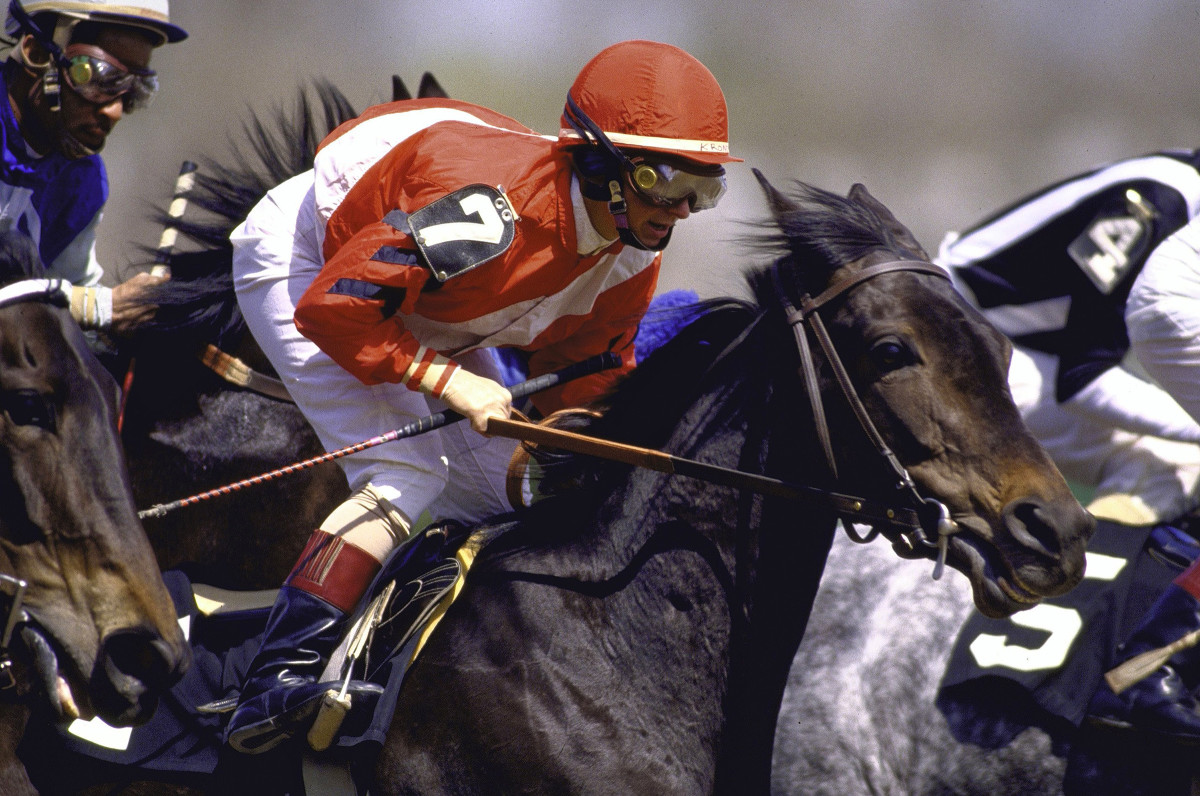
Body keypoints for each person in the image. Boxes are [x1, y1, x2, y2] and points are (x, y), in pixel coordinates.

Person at [225, 39, 739, 754]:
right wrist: (449, 380)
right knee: (406, 472)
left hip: (423, 309)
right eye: (664, 181)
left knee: (515, 492)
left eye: (703, 190)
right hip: (306, 265)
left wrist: (597, 445)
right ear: (600, 164)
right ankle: (272, 681)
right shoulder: (488, 213)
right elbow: (336, 307)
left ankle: (395, 673)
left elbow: (587, 374)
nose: (680, 210)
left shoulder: (631, 256)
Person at [935, 150, 1200, 740]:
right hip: (967, 342)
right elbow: (1083, 379)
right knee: (1178, 459)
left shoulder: (1174, 192)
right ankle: (1062, 626)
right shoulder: (1158, 198)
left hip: (1010, 347)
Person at [1, 0, 186, 334]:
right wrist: (94, 307)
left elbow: (75, 294)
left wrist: (127, 320)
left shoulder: (83, 180)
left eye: (135, 89)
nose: (115, 111)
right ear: (36, 52)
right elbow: (86, 305)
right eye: (101, 77)